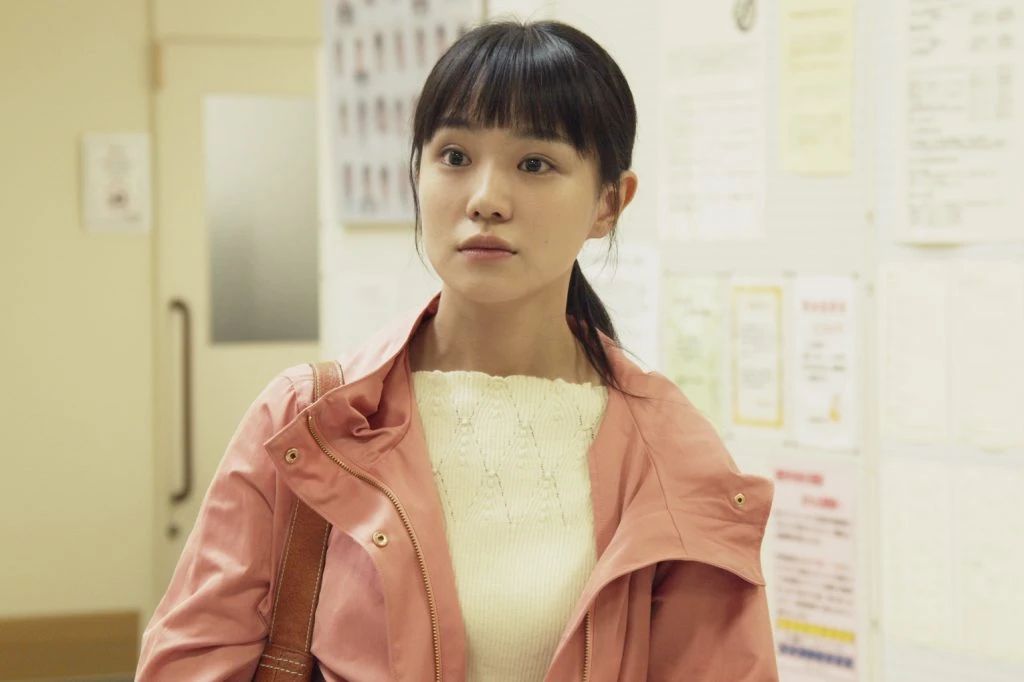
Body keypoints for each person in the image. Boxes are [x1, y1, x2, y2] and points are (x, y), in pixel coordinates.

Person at [136, 19, 778, 682]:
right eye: (454, 156)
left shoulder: (669, 452)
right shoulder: (308, 418)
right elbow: (190, 662)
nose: (486, 199)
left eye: (535, 163)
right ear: (418, 174)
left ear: (609, 204)